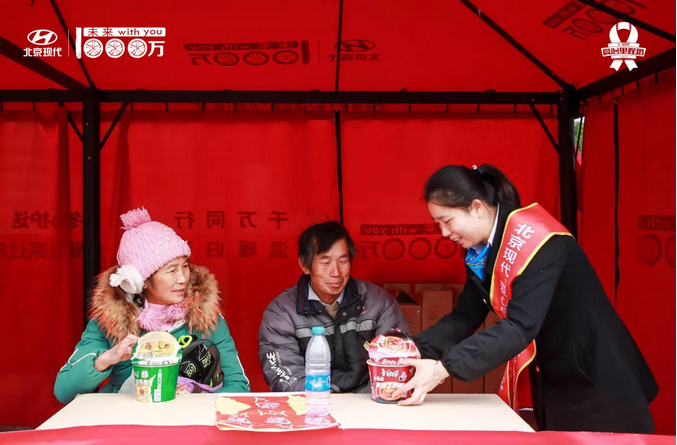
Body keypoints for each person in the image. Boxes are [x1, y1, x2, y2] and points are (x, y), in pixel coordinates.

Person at [393, 164, 658, 433]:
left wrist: (440, 370)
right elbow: (465, 316)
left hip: (598, 377)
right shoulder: (480, 250)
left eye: (447, 221)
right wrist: (410, 348)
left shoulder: (538, 240)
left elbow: (518, 327)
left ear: (476, 207)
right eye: (437, 223)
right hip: (554, 376)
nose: (444, 233)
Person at [54, 208, 250, 404]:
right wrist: (106, 359)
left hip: (189, 421)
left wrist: (196, 397)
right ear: (142, 281)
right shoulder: (110, 321)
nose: (182, 278)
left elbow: (239, 386)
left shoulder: (206, 318)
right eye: (171, 270)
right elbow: (64, 391)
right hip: (125, 420)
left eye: (184, 266)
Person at [259, 221, 409, 393]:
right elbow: (285, 372)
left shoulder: (378, 302)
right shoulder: (282, 311)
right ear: (305, 265)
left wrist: (367, 401)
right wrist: (325, 398)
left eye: (343, 261)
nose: (336, 272)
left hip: (371, 400)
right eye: (325, 262)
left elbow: (397, 361)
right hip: (314, 400)